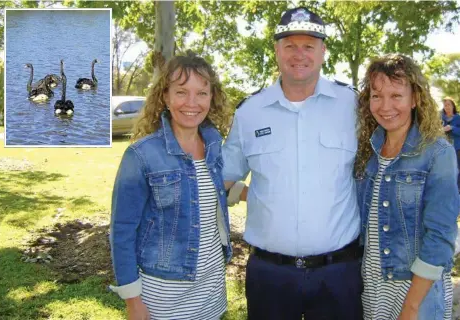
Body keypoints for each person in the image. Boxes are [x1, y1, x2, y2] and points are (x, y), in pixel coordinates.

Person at [223, 7, 363, 320]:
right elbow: (225, 178)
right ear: (276, 50)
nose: (299, 54)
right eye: (290, 45)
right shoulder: (249, 112)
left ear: (323, 51)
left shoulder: (354, 106)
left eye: (308, 46)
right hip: (270, 276)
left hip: (339, 273)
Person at [109, 52, 233, 320]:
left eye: (202, 93)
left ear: (212, 98)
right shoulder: (141, 155)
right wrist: (133, 300)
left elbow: (211, 192)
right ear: (165, 97)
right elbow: (122, 232)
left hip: (212, 293)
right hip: (163, 300)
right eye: (181, 92)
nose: (192, 102)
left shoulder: (214, 145)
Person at [354, 53, 459, 320]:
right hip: (373, 288)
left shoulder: (437, 153)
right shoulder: (368, 153)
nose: (385, 105)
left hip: (416, 293)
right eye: (376, 96)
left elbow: (441, 235)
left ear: (414, 98)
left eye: (396, 96)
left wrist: (411, 307)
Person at [441, 96, 460, 192]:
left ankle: (457, 190)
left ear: (453, 106)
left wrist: (452, 128)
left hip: (457, 149)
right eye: (445, 105)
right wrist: (441, 130)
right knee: (446, 169)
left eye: (449, 105)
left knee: (457, 169)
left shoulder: (458, 118)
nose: (447, 107)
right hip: (444, 148)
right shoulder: (440, 118)